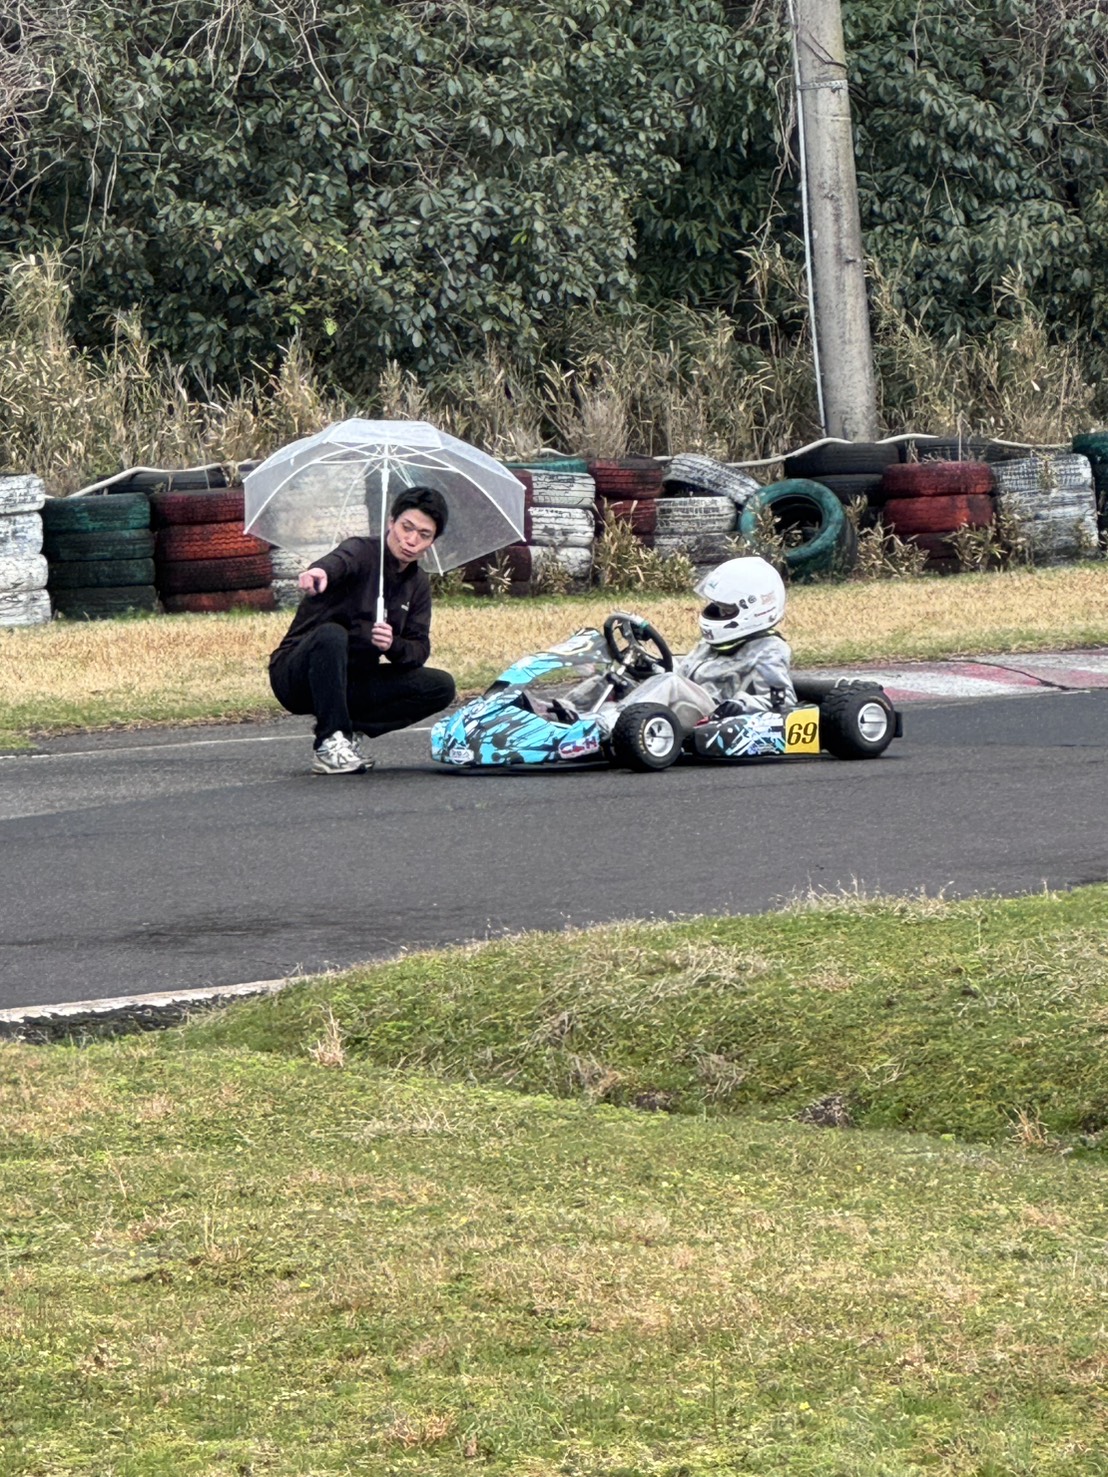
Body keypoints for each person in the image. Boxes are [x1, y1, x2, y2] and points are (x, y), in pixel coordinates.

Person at [269, 486, 457, 774]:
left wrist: (392, 645)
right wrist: (319, 573)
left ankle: (347, 732)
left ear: (431, 542)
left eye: (423, 535)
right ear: (391, 522)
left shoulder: (418, 584)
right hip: (298, 675)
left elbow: (419, 649)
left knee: (440, 686)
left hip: (352, 681)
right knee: (332, 634)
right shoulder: (362, 551)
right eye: (406, 528)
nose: (411, 540)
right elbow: (338, 562)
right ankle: (329, 741)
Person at [615, 556, 796, 728]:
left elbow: (781, 701)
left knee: (671, 682)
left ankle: (612, 723)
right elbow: (683, 673)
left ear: (755, 610)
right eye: (717, 607)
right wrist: (651, 666)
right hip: (689, 703)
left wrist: (742, 704)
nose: (718, 613)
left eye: (725, 609)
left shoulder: (769, 649)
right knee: (614, 677)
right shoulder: (712, 644)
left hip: (716, 713)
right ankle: (590, 717)